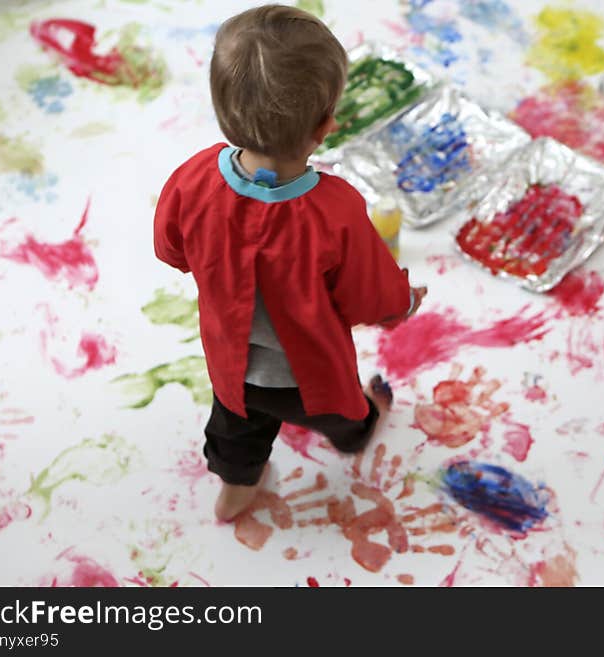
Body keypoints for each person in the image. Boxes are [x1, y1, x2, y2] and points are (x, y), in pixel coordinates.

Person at [153, 4, 427, 521]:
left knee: (235, 433)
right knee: (346, 412)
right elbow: (367, 294)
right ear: (326, 126)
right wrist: (402, 303)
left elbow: (169, 246)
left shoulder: (193, 177)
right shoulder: (336, 209)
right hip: (308, 376)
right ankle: (360, 433)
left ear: (221, 109)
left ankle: (236, 490)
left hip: (230, 368)